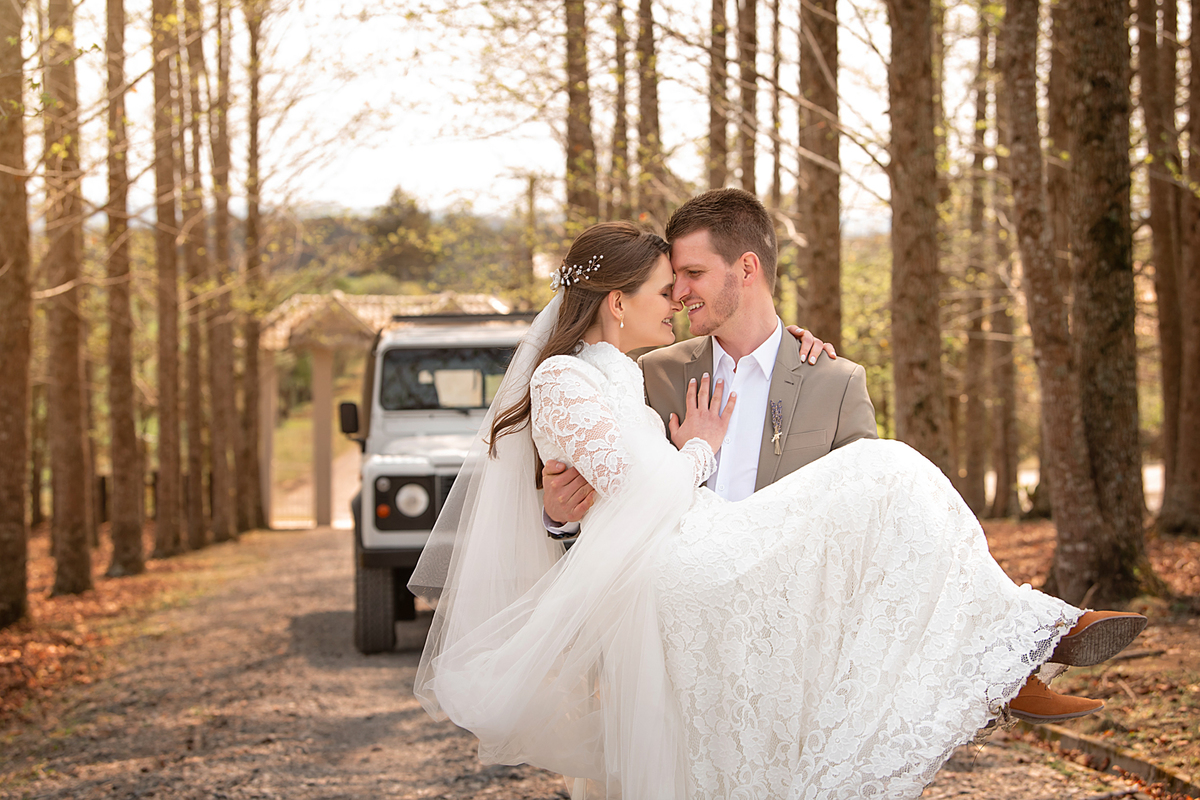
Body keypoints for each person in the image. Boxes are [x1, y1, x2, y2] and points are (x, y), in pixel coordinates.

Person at [409, 221, 1146, 800]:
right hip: (685, 569)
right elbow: (630, 493)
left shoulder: (778, 371)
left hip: (753, 581)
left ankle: (1014, 648)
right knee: (888, 469)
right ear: (616, 301)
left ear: (747, 271)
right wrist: (697, 449)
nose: (678, 301)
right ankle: (1020, 644)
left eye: (686, 282)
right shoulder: (587, 378)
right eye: (667, 288)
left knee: (892, 476)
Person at [542, 188, 876, 533]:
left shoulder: (836, 384)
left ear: (747, 269)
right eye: (673, 280)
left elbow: (866, 519)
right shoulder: (651, 374)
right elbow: (616, 500)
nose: (678, 293)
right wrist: (562, 516)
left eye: (694, 273)